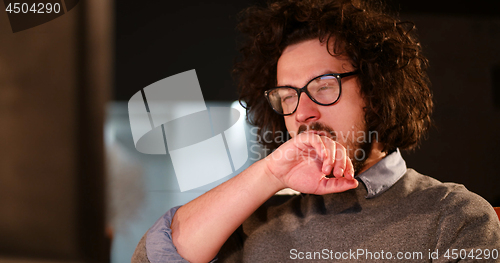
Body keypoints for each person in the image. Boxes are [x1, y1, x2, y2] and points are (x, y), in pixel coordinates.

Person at [132, 0, 500, 262]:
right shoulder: (256, 225)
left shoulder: (454, 217)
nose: (304, 113)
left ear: (374, 91)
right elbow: (154, 256)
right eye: (287, 96)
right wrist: (270, 173)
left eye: (324, 86)